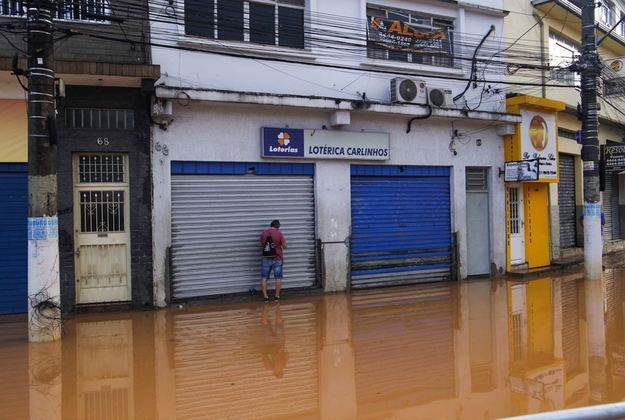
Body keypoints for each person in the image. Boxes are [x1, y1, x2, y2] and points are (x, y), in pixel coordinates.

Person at [259, 220, 287, 302]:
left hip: (266, 258)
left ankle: (265, 297)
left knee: (264, 278)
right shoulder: (279, 233)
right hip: (277, 259)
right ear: (278, 226)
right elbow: (285, 246)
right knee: (278, 278)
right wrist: (282, 246)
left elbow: (260, 244)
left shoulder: (264, 233)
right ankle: (277, 297)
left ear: (271, 225)